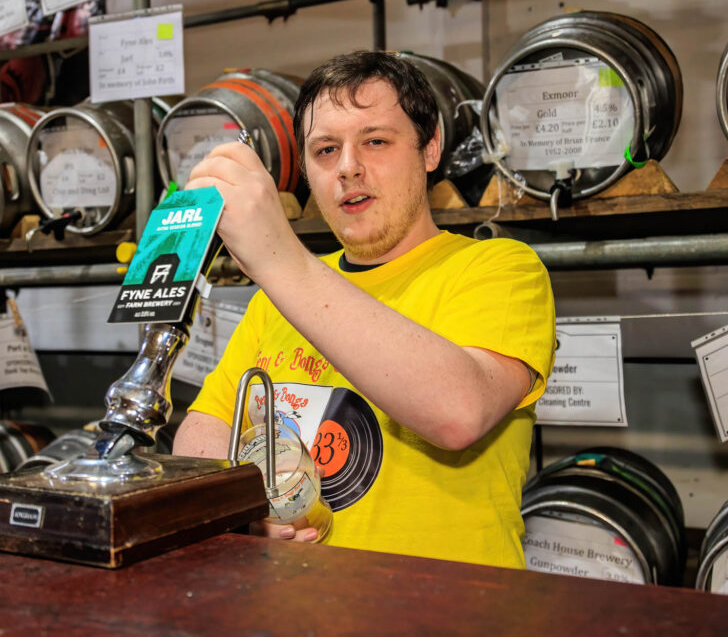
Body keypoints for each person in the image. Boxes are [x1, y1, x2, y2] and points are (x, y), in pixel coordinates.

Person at [173, 50, 555, 569]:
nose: (348, 167)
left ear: (430, 148)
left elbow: (457, 413)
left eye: (375, 141)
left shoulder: (497, 269)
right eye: (325, 150)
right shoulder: (276, 300)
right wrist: (236, 508)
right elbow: (208, 424)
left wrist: (279, 259)